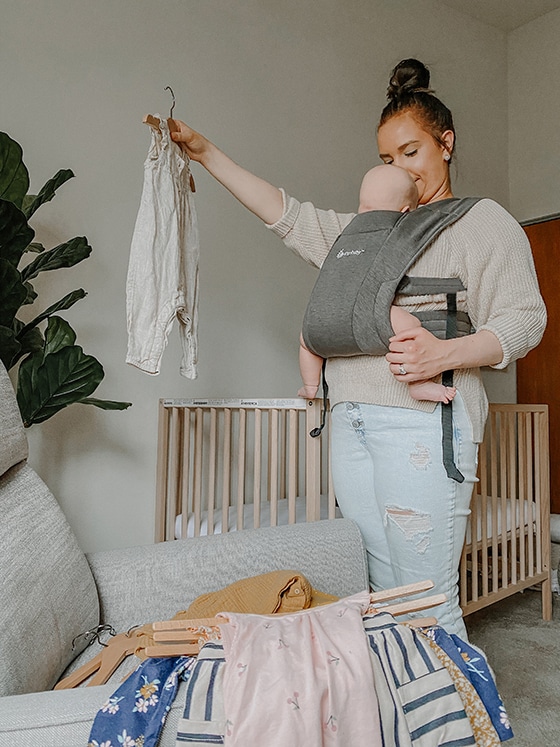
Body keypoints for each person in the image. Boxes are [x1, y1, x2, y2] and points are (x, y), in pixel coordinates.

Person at [170, 58, 546, 638]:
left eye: (412, 151)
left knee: (426, 597)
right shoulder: (370, 232)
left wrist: (444, 355)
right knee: (380, 591)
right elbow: (287, 215)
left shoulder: (481, 223)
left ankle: (457, 726)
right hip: (350, 422)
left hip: (424, 426)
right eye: (388, 159)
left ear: (446, 144)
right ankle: (401, 716)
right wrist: (206, 153)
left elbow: (526, 319)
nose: (402, 168)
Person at [298, 163, 457, 405]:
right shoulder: (397, 228)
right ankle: (419, 383)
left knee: (304, 341)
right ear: (405, 211)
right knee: (411, 325)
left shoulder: (347, 232)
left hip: (319, 323)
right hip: (367, 316)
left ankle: (310, 385)